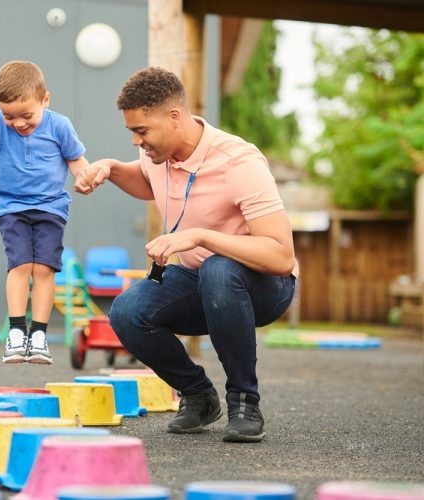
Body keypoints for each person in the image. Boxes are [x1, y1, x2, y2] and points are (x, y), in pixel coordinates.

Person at [74, 67, 297, 442]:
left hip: (264, 285)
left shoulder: (238, 162)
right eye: (131, 131)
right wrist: (110, 169)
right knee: (127, 312)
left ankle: (244, 401)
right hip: (203, 280)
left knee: (218, 269)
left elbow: (281, 257)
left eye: (141, 130)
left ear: (174, 117)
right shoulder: (158, 156)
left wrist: (199, 237)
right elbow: (146, 181)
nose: (135, 140)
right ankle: (198, 396)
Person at [0, 60, 89, 365]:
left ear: (45, 100)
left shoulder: (60, 126)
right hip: (11, 206)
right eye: (9, 116)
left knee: (44, 270)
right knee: (20, 265)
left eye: (26, 115)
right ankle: (16, 332)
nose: (18, 123)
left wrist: (85, 177)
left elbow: (77, 161)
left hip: (51, 207)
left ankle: (38, 334)